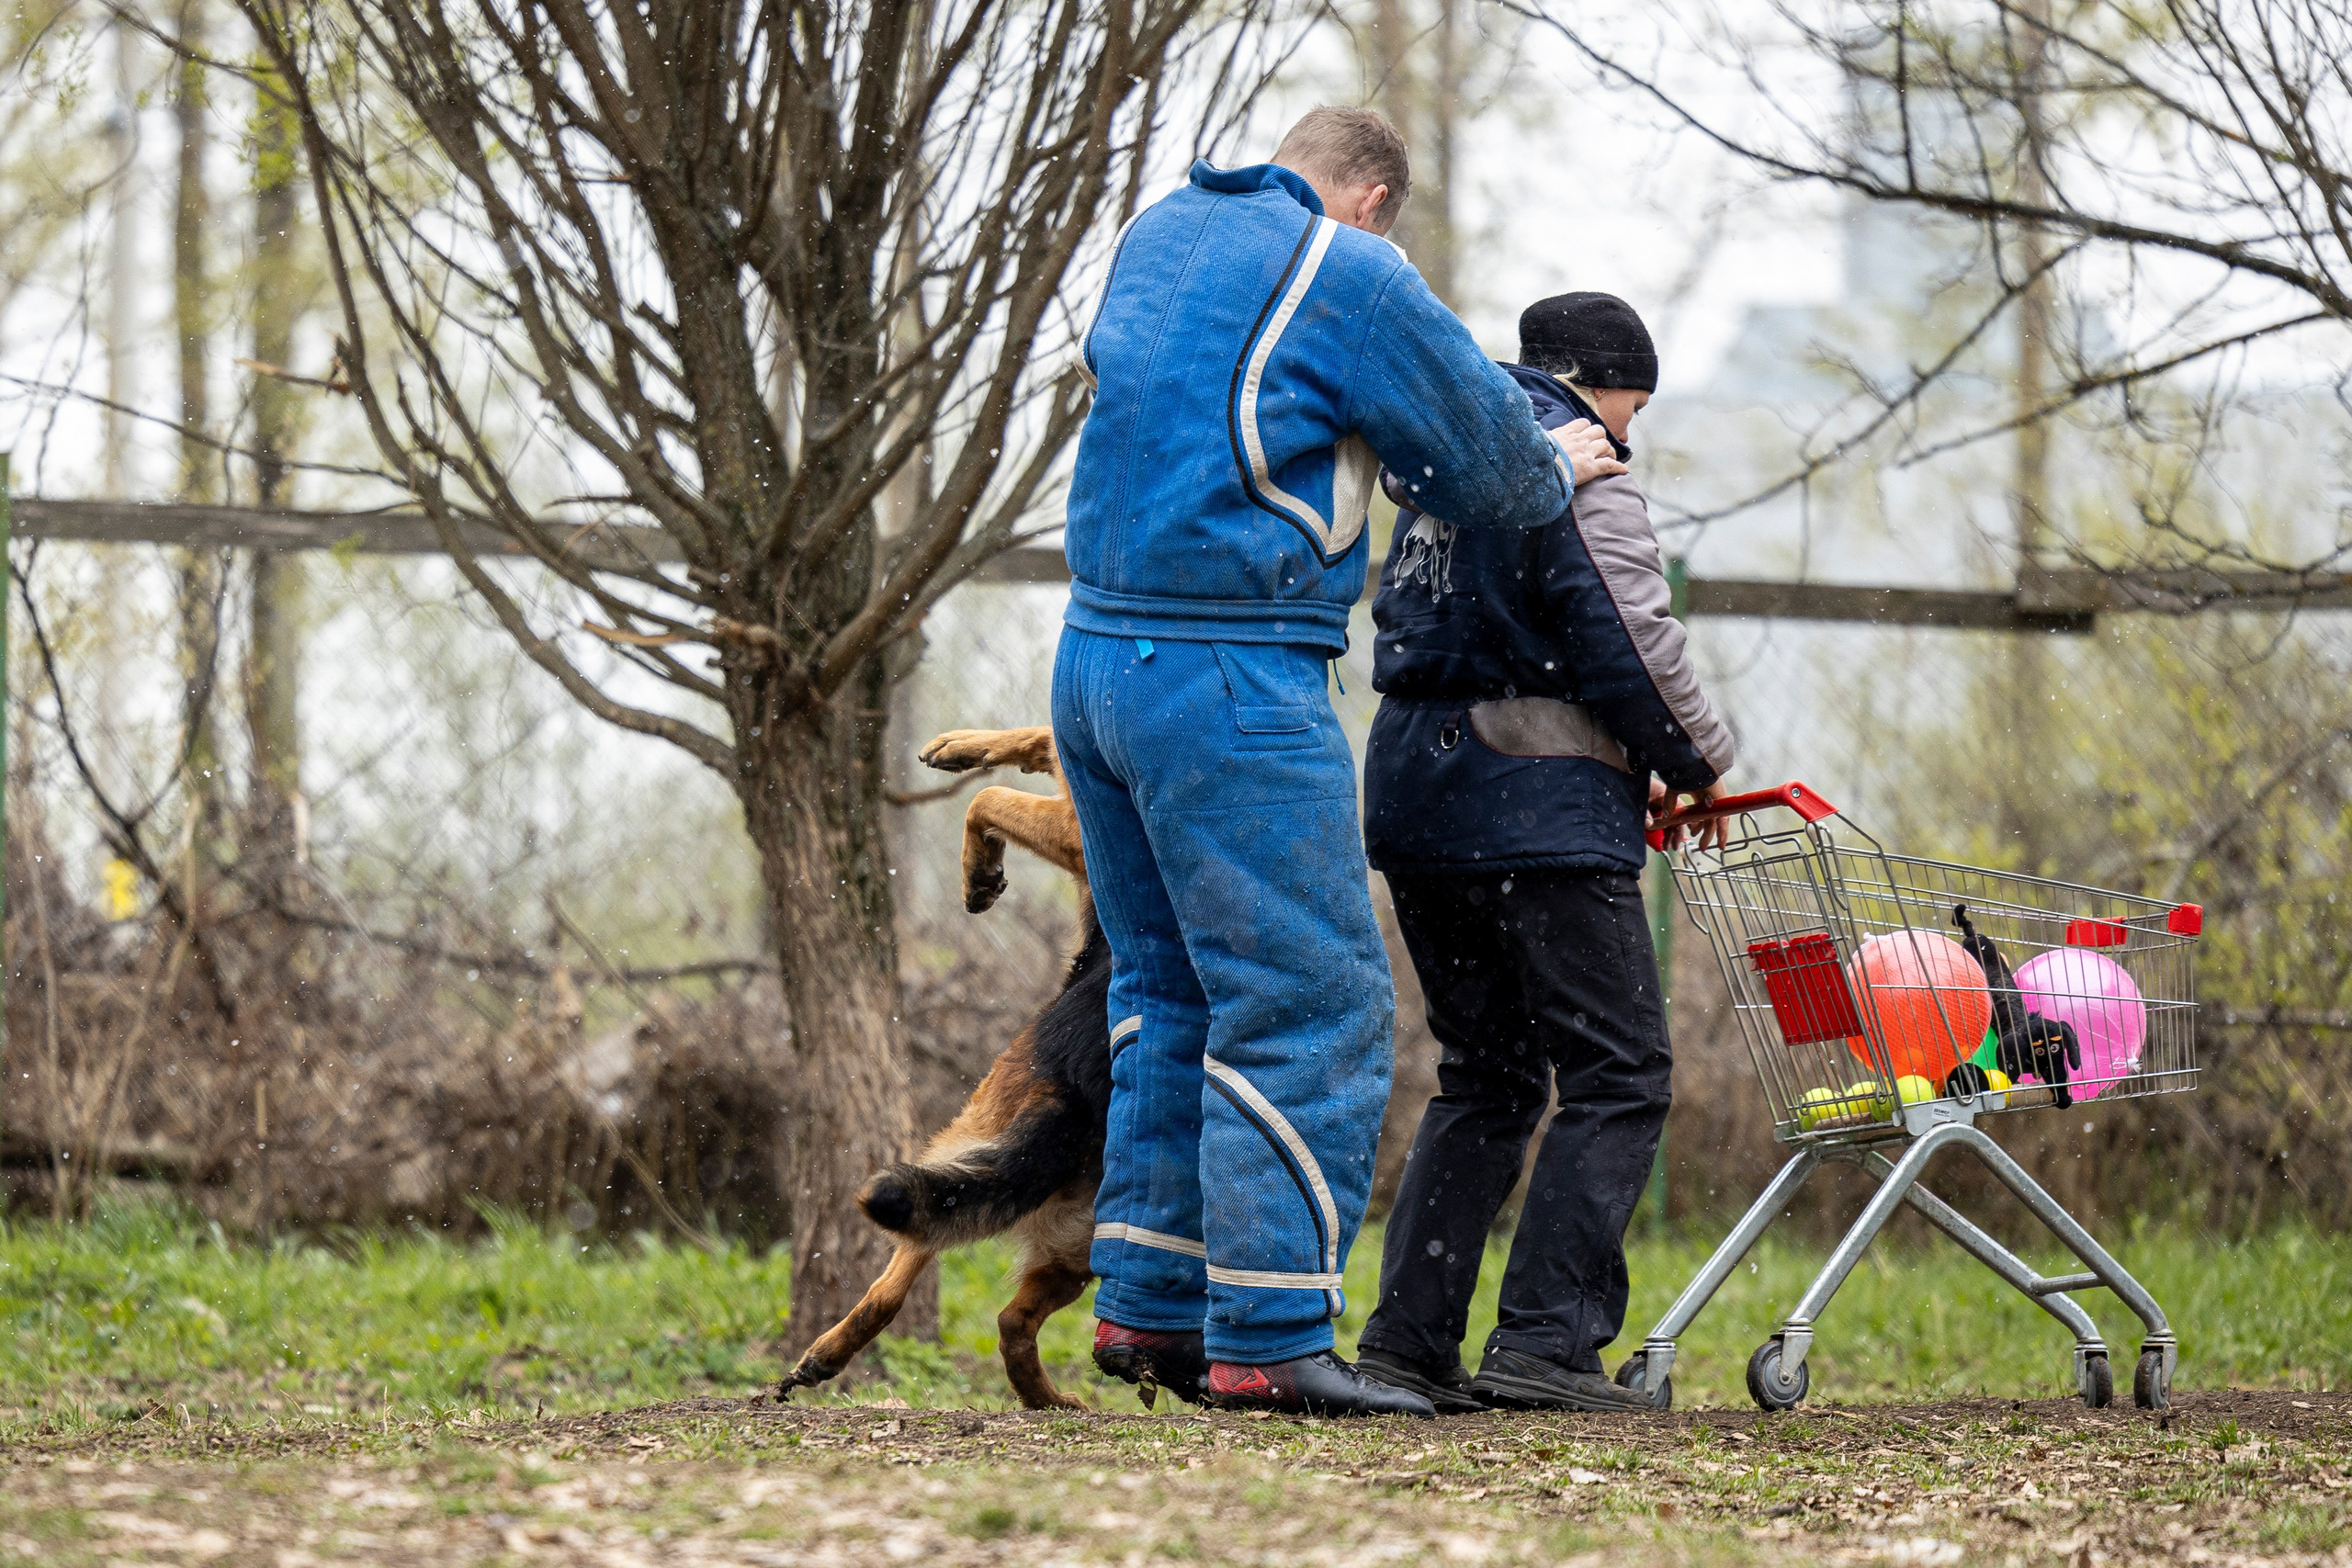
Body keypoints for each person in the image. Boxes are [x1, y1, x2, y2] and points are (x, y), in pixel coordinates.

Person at [1053, 110, 1628, 1417]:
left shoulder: (1160, 234)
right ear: (1372, 198)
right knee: (1311, 998)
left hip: (1093, 660)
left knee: (1170, 985)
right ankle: (1268, 1333)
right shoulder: (1348, 269)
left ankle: (1150, 1306)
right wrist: (1557, 456)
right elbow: (1482, 462)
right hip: (1229, 678)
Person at [1351, 291, 1735, 1413]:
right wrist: (1700, 760)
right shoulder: (1579, 463)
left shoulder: (1447, 464)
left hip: (1418, 790)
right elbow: (1628, 632)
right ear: (1598, 383)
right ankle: (1546, 1348)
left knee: (1487, 1077)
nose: (1631, 433)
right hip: (1536, 803)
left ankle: (1408, 1346)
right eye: (1634, 404)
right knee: (1620, 1073)